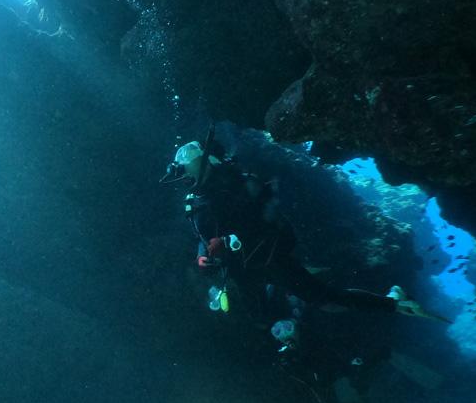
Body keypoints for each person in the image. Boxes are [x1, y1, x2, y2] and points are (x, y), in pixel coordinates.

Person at [161, 131, 444, 331]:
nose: (182, 178)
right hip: (242, 268)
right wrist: (203, 256)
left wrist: (226, 241)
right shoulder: (197, 202)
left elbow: (262, 219)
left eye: (185, 168)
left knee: (323, 298)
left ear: (202, 163)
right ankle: (285, 295)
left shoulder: (236, 185)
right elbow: (204, 238)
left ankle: (393, 302)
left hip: (269, 257)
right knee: (259, 318)